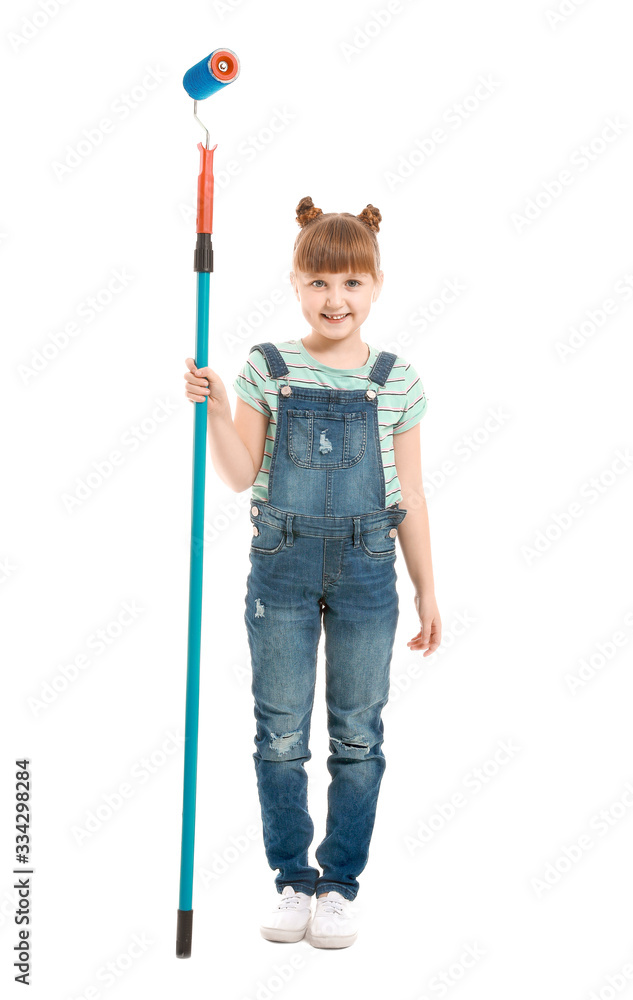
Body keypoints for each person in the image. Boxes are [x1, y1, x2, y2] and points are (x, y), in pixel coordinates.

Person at [183, 195, 441, 948]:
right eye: (320, 282)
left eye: (352, 283)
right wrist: (218, 410)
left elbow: (413, 494)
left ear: (378, 285)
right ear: (296, 284)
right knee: (280, 733)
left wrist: (428, 587)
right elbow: (238, 476)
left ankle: (339, 885)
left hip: (369, 569)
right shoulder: (268, 365)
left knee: (358, 735)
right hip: (282, 571)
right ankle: (293, 881)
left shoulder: (398, 380)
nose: (336, 300)